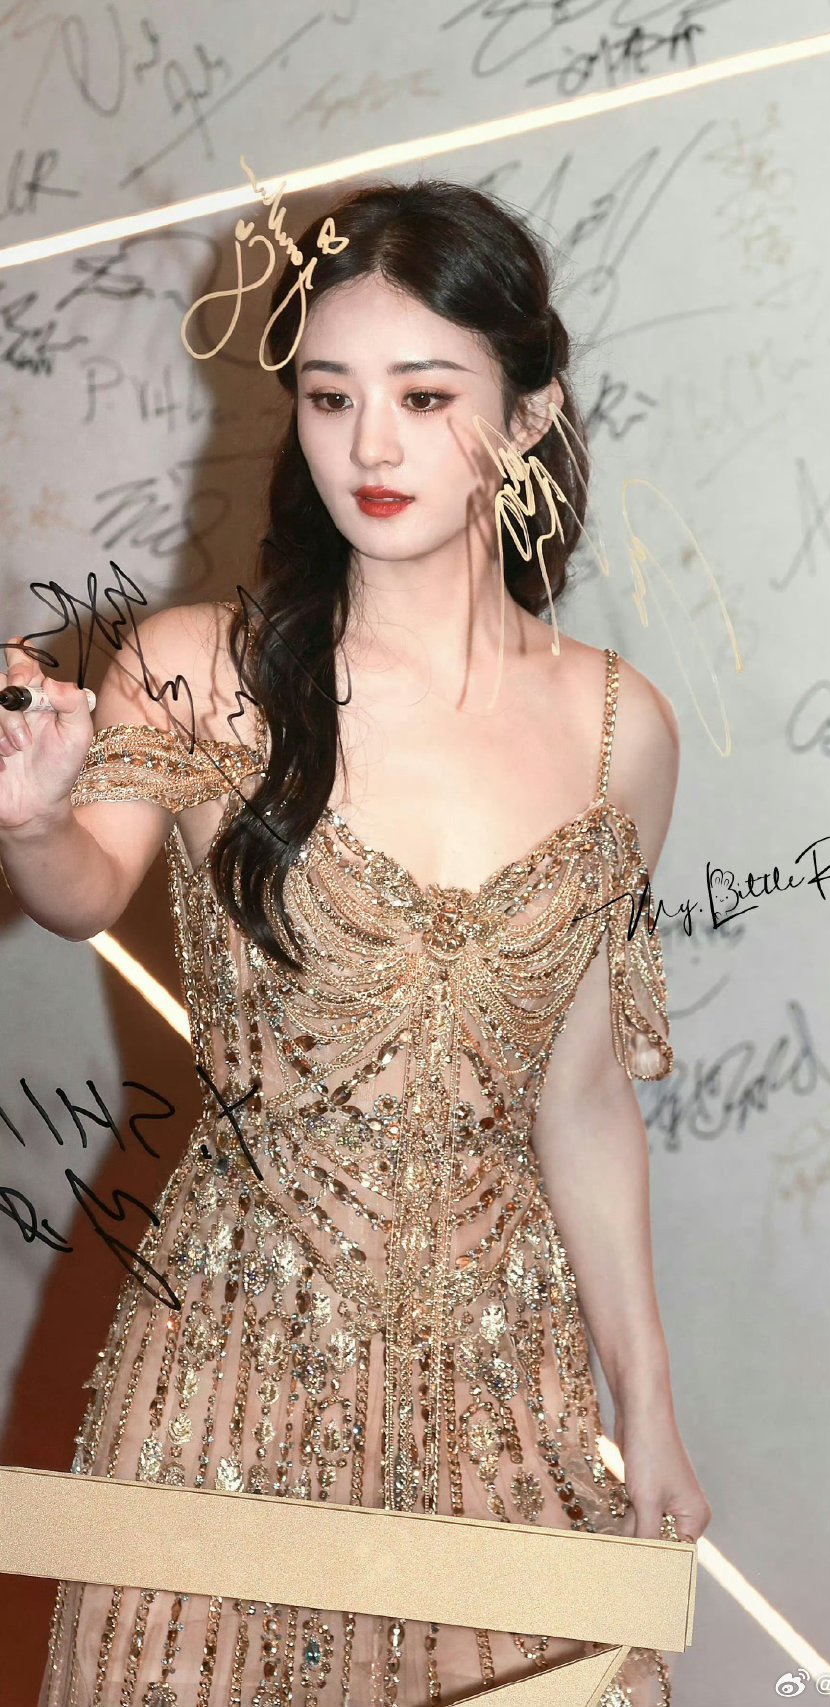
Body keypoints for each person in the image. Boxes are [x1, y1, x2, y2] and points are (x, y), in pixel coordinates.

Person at [0, 177, 710, 1707]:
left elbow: (585, 1093)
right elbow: (80, 890)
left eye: (425, 396)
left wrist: (646, 1408)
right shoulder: (197, 668)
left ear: (528, 414)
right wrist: (32, 813)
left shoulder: (620, 732)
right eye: (331, 397)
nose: (370, 447)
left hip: (498, 1393)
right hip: (219, 1376)